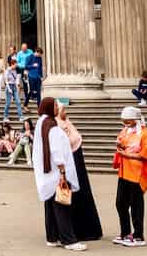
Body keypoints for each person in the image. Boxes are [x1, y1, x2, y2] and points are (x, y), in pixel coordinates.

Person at [33, 97, 85, 251]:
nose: (57, 108)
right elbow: (56, 150)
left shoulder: (41, 122)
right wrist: (62, 171)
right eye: (55, 105)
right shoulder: (52, 126)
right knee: (62, 205)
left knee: (50, 204)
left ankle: (52, 237)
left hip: (46, 171)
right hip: (56, 171)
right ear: (49, 107)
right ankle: (69, 240)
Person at [57, 101, 102, 243]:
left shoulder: (67, 123)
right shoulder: (59, 126)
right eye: (63, 110)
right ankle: (79, 231)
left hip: (78, 164)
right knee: (75, 197)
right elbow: (66, 144)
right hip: (71, 165)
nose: (66, 113)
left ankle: (89, 230)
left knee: (84, 194)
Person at [112, 105, 147, 248]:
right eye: (123, 120)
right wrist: (120, 146)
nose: (125, 123)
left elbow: (145, 155)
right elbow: (122, 144)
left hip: (137, 174)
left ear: (136, 120)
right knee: (120, 203)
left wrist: (126, 154)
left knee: (136, 206)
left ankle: (138, 236)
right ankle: (125, 232)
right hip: (124, 172)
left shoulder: (144, 134)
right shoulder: (125, 131)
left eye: (128, 120)